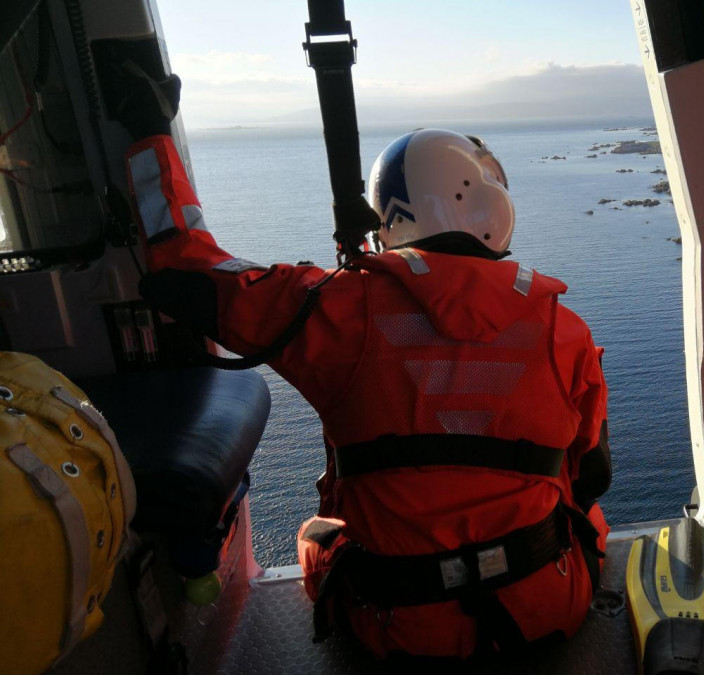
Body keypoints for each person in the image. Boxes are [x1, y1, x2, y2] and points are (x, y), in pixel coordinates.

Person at [118, 68, 612, 659]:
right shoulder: (566, 329)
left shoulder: (333, 307)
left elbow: (185, 272)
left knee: (317, 537)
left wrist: (151, 134)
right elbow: (592, 475)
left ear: (393, 218)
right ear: (491, 204)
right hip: (545, 610)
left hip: (396, 630)